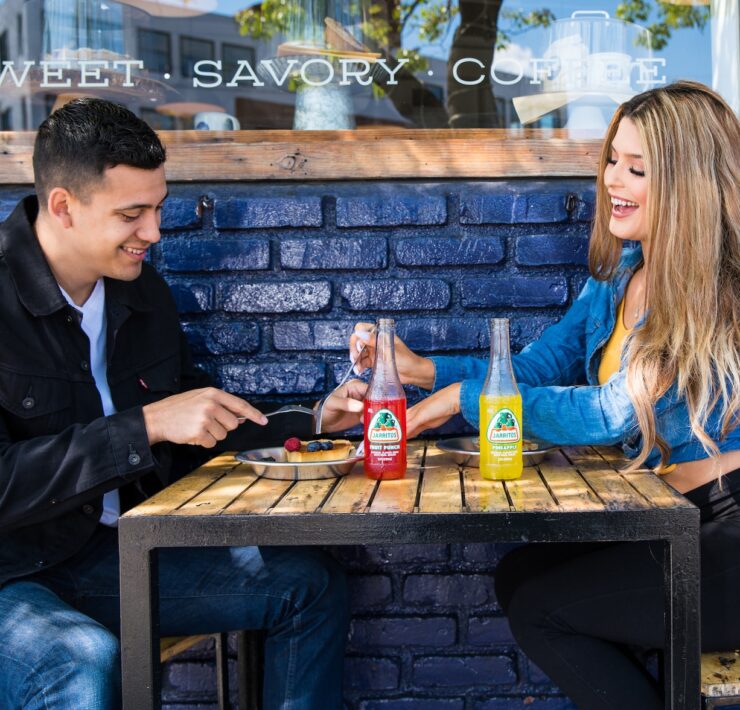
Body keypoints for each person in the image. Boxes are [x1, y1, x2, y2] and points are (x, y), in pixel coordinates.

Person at [349, 81, 740, 709]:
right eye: (613, 158)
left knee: (542, 608)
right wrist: (424, 370)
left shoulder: (712, 299)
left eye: (636, 168)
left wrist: (459, 401)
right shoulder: (618, 278)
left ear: (689, 186)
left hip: (726, 527)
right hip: (671, 513)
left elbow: (615, 413)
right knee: (520, 572)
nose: (613, 178)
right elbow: (536, 366)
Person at [0, 97, 361, 710]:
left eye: (158, 208)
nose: (155, 233)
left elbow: (194, 424)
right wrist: (140, 427)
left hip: (110, 557)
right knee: (83, 664)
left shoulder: (142, 296)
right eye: (132, 214)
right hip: (11, 575)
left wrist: (318, 421)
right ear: (63, 206)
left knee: (309, 584)